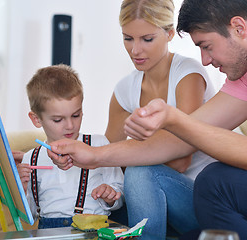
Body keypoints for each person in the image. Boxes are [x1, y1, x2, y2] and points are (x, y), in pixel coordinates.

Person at [47, 0, 247, 238]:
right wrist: (92, 156)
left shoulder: (188, 73)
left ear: (239, 28)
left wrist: (171, 120)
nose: (205, 60)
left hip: (201, 191)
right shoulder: (240, 82)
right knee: (117, 208)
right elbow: (184, 139)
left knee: (212, 180)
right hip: (197, 199)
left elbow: (184, 150)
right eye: (128, 38)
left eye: (207, 46)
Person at [104, 0, 217, 238]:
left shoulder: (188, 73)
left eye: (147, 39)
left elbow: (180, 161)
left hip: (203, 201)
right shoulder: (124, 90)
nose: (135, 50)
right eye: (128, 38)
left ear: (169, 34)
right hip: (154, 199)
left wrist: (130, 152)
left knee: (139, 172)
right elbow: (110, 161)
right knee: (100, 205)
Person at [17, 64, 124, 229]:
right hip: (49, 232)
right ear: (36, 119)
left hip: (92, 230)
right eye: (58, 120)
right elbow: (29, 216)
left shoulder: (99, 145)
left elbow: (120, 192)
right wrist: (22, 189)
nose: (69, 126)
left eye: (76, 115)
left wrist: (110, 196)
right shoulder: (30, 157)